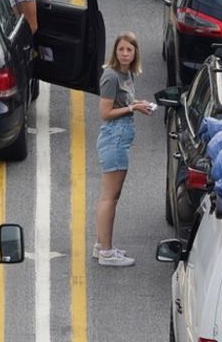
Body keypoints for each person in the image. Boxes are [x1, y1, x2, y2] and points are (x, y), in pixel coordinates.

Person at [93, 32, 153, 267]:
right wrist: (133, 108)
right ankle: (107, 253)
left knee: (112, 196)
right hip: (114, 138)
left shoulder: (127, 74)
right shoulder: (111, 76)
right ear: (115, 52)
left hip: (121, 137)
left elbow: (126, 103)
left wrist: (137, 105)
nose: (125, 53)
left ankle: (102, 246)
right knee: (109, 197)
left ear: (135, 52)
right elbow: (105, 113)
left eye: (129, 50)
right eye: (121, 49)